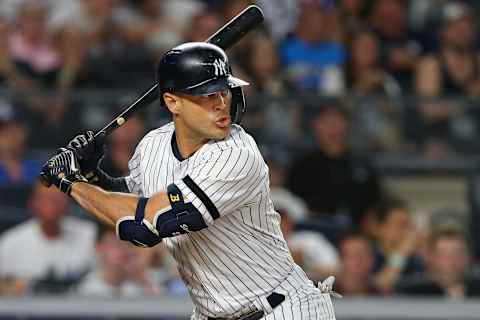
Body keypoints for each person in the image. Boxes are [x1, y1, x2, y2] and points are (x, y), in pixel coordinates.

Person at [40, 42, 337, 319]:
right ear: (172, 102)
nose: (221, 103)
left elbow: (143, 227)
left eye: (224, 91)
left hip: (280, 309)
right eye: (207, 95)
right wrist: (94, 175)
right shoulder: (153, 145)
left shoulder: (237, 155)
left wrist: (71, 182)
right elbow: (127, 200)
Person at [0, 182, 96, 296]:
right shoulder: (10, 243)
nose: (52, 203)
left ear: (68, 203)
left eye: (58, 198)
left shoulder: (90, 235)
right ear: (33, 203)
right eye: (45, 198)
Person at [396, 227, 480, 298]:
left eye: (458, 253)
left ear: (468, 258)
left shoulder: (476, 290)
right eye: (443, 254)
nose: (451, 260)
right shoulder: (411, 292)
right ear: (429, 257)